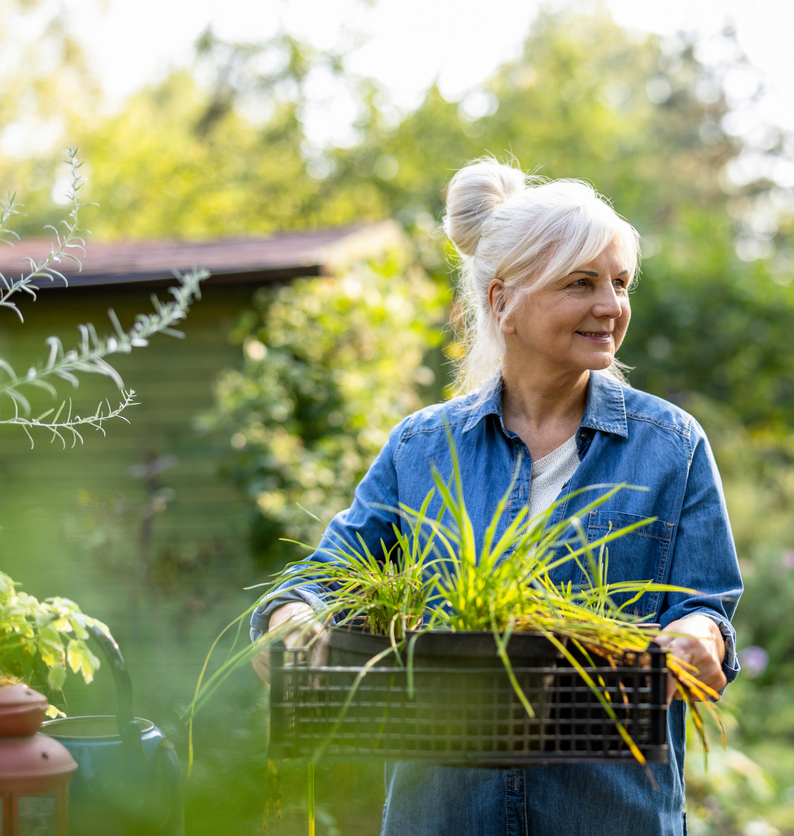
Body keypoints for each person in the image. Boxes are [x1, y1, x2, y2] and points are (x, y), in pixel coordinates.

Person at [251, 159, 743, 836]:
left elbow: (703, 608)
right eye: (581, 283)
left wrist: (695, 642)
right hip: (445, 817)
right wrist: (292, 624)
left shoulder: (671, 446)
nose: (612, 306)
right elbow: (325, 577)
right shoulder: (422, 449)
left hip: (611, 818)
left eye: (620, 284)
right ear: (503, 300)